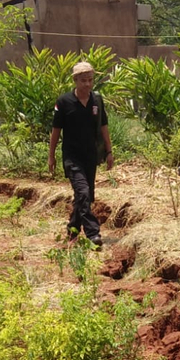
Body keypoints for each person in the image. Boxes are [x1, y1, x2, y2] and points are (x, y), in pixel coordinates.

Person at [48, 61, 114, 247]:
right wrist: (51, 155)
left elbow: (104, 127)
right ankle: (93, 233)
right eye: (83, 80)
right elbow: (56, 131)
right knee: (83, 192)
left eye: (90, 80)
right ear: (75, 80)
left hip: (90, 156)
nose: (87, 84)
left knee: (86, 196)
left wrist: (109, 151)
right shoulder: (64, 102)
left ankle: (72, 231)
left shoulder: (97, 101)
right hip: (72, 156)